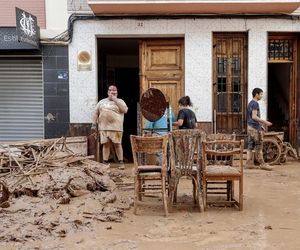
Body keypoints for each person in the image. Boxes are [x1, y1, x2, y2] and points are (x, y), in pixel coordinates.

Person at [91, 85, 128, 169]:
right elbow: (96, 113)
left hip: (116, 128)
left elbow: (125, 110)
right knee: (105, 145)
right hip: (103, 127)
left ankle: (121, 163)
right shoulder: (101, 102)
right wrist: (93, 124)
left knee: (117, 145)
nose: (114, 95)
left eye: (115, 93)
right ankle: (105, 162)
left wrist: (115, 100)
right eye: (112, 93)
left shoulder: (120, 101)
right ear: (108, 93)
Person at [246, 88, 273, 171]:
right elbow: (254, 117)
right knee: (259, 146)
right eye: (261, 94)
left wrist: (260, 125)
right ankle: (262, 164)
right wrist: (265, 122)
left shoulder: (250, 103)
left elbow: (250, 117)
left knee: (250, 146)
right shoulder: (255, 104)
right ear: (256, 94)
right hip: (254, 128)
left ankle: (248, 163)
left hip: (250, 127)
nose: (262, 96)